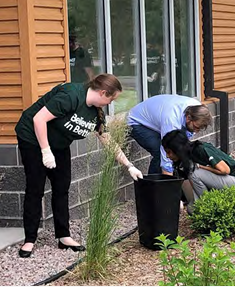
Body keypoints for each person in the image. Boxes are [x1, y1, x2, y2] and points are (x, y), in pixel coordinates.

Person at [15, 74, 143, 258]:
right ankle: (30, 239)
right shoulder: (71, 96)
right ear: (103, 92)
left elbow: (106, 139)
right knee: (35, 188)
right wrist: (45, 150)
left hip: (59, 144)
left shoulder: (96, 112)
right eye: (111, 99)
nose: (110, 104)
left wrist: (129, 165)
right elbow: (38, 119)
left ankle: (64, 236)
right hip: (33, 139)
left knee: (62, 187)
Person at [161, 130, 235, 212]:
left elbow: (225, 170)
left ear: (178, 149)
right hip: (221, 183)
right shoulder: (181, 162)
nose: (168, 156)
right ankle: (208, 207)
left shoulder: (200, 149)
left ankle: (207, 207)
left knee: (194, 171)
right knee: (192, 209)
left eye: (169, 152)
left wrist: (201, 167)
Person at [127, 95, 212, 175]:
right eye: (195, 127)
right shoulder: (172, 121)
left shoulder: (197, 108)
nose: (196, 132)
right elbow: (166, 152)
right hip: (137, 122)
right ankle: (153, 187)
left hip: (158, 118)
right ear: (188, 118)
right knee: (160, 153)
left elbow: (183, 142)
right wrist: (169, 181)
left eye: (199, 129)